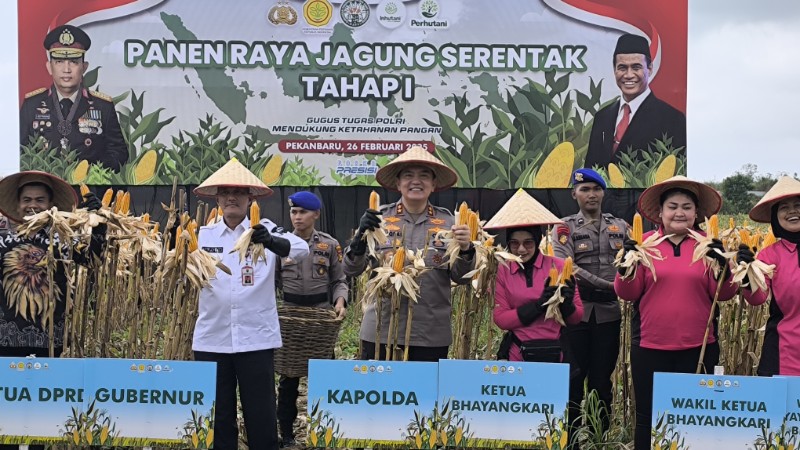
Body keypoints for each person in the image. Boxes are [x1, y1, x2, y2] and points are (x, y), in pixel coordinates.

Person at [192, 159, 309, 450]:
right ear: (217, 197)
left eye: (240, 192)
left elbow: (302, 249)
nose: (232, 197)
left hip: (255, 338)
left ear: (250, 198)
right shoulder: (202, 236)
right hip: (212, 339)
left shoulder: (266, 230)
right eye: (226, 191)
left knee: (261, 415)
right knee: (219, 416)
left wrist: (270, 241)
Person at [614, 175, 737, 450]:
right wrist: (626, 267)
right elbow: (628, 294)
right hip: (650, 345)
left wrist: (724, 267)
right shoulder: (644, 243)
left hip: (700, 346)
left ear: (696, 213)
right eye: (672, 206)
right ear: (660, 212)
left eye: (686, 207)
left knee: (695, 417)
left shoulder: (709, 246)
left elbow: (725, 294)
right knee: (648, 415)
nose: (679, 212)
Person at [343, 146, 475, 361]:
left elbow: (460, 277)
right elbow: (351, 269)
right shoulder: (379, 219)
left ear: (433, 185)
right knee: (380, 394)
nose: (416, 181)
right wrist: (359, 239)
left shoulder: (451, 223)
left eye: (424, 176)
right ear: (398, 184)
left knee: (424, 395)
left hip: (430, 334)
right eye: (408, 175)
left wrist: (467, 249)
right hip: (381, 330)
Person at [552, 169, 628, 436]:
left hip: (609, 313)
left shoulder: (621, 226)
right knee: (573, 379)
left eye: (596, 189)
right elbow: (566, 265)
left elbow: (634, 261)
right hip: (576, 312)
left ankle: (600, 436)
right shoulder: (564, 227)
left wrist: (623, 285)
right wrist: (612, 286)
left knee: (601, 381)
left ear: (604, 192)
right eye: (585, 190)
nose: (591, 195)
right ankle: (570, 438)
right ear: (574, 194)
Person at [276, 191, 347, 447]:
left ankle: (326, 432)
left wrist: (340, 301)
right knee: (288, 381)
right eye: (294, 212)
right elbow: (270, 281)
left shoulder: (328, 245)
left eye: (302, 212)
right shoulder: (281, 244)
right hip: (290, 315)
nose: (297, 217)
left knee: (325, 378)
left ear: (315, 214)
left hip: (320, 316)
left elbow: (339, 280)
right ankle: (286, 434)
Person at [485, 188, 584, 363]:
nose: (521, 249)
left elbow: (576, 318)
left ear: (537, 241)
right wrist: (539, 305)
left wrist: (567, 305)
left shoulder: (560, 266)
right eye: (514, 243)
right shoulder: (502, 270)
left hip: (555, 353)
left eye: (528, 243)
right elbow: (501, 319)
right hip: (518, 354)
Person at [20, 24, 128, 171]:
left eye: (74, 62)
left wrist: (90, 171)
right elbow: (18, 150)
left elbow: (119, 153)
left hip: (89, 190)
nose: (66, 69)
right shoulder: (32, 104)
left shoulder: (103, 106)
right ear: (49, 67)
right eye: (59, 62)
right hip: (47, 188)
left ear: (84, 67)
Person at [584, 33, 686, 172]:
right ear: (614, 70)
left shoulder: (672, 119)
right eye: (622, 68)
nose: (629, 75)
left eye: (636, 67)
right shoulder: (602, 117)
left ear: (649, 69)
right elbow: (590, 170)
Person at [739, 176, 800, 376]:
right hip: (785, 353)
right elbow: (757, 298)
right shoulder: (769, 254)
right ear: (775, 217)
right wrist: (748, 273)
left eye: (798, 205)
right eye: (784, 207)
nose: (792, 211)